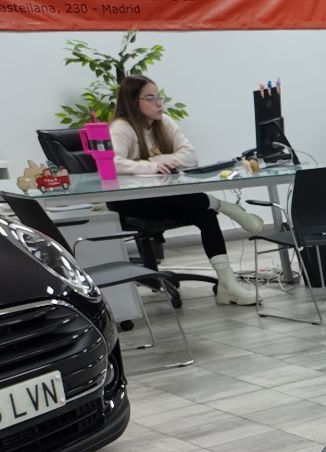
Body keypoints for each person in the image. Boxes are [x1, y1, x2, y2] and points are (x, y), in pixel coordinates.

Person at [106, 74, 261, 306]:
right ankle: (224, 206)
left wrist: (158, 159)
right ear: (132, 101)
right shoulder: (122, 128)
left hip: (163, 198)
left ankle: (227, 285)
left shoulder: (163, 122)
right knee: (200, 203)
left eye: (159, 97)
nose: (159, 103)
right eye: (150, 98)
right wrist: (152, 166)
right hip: (131, 202)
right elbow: (113, 164)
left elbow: (190, 157)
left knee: (205, 215)